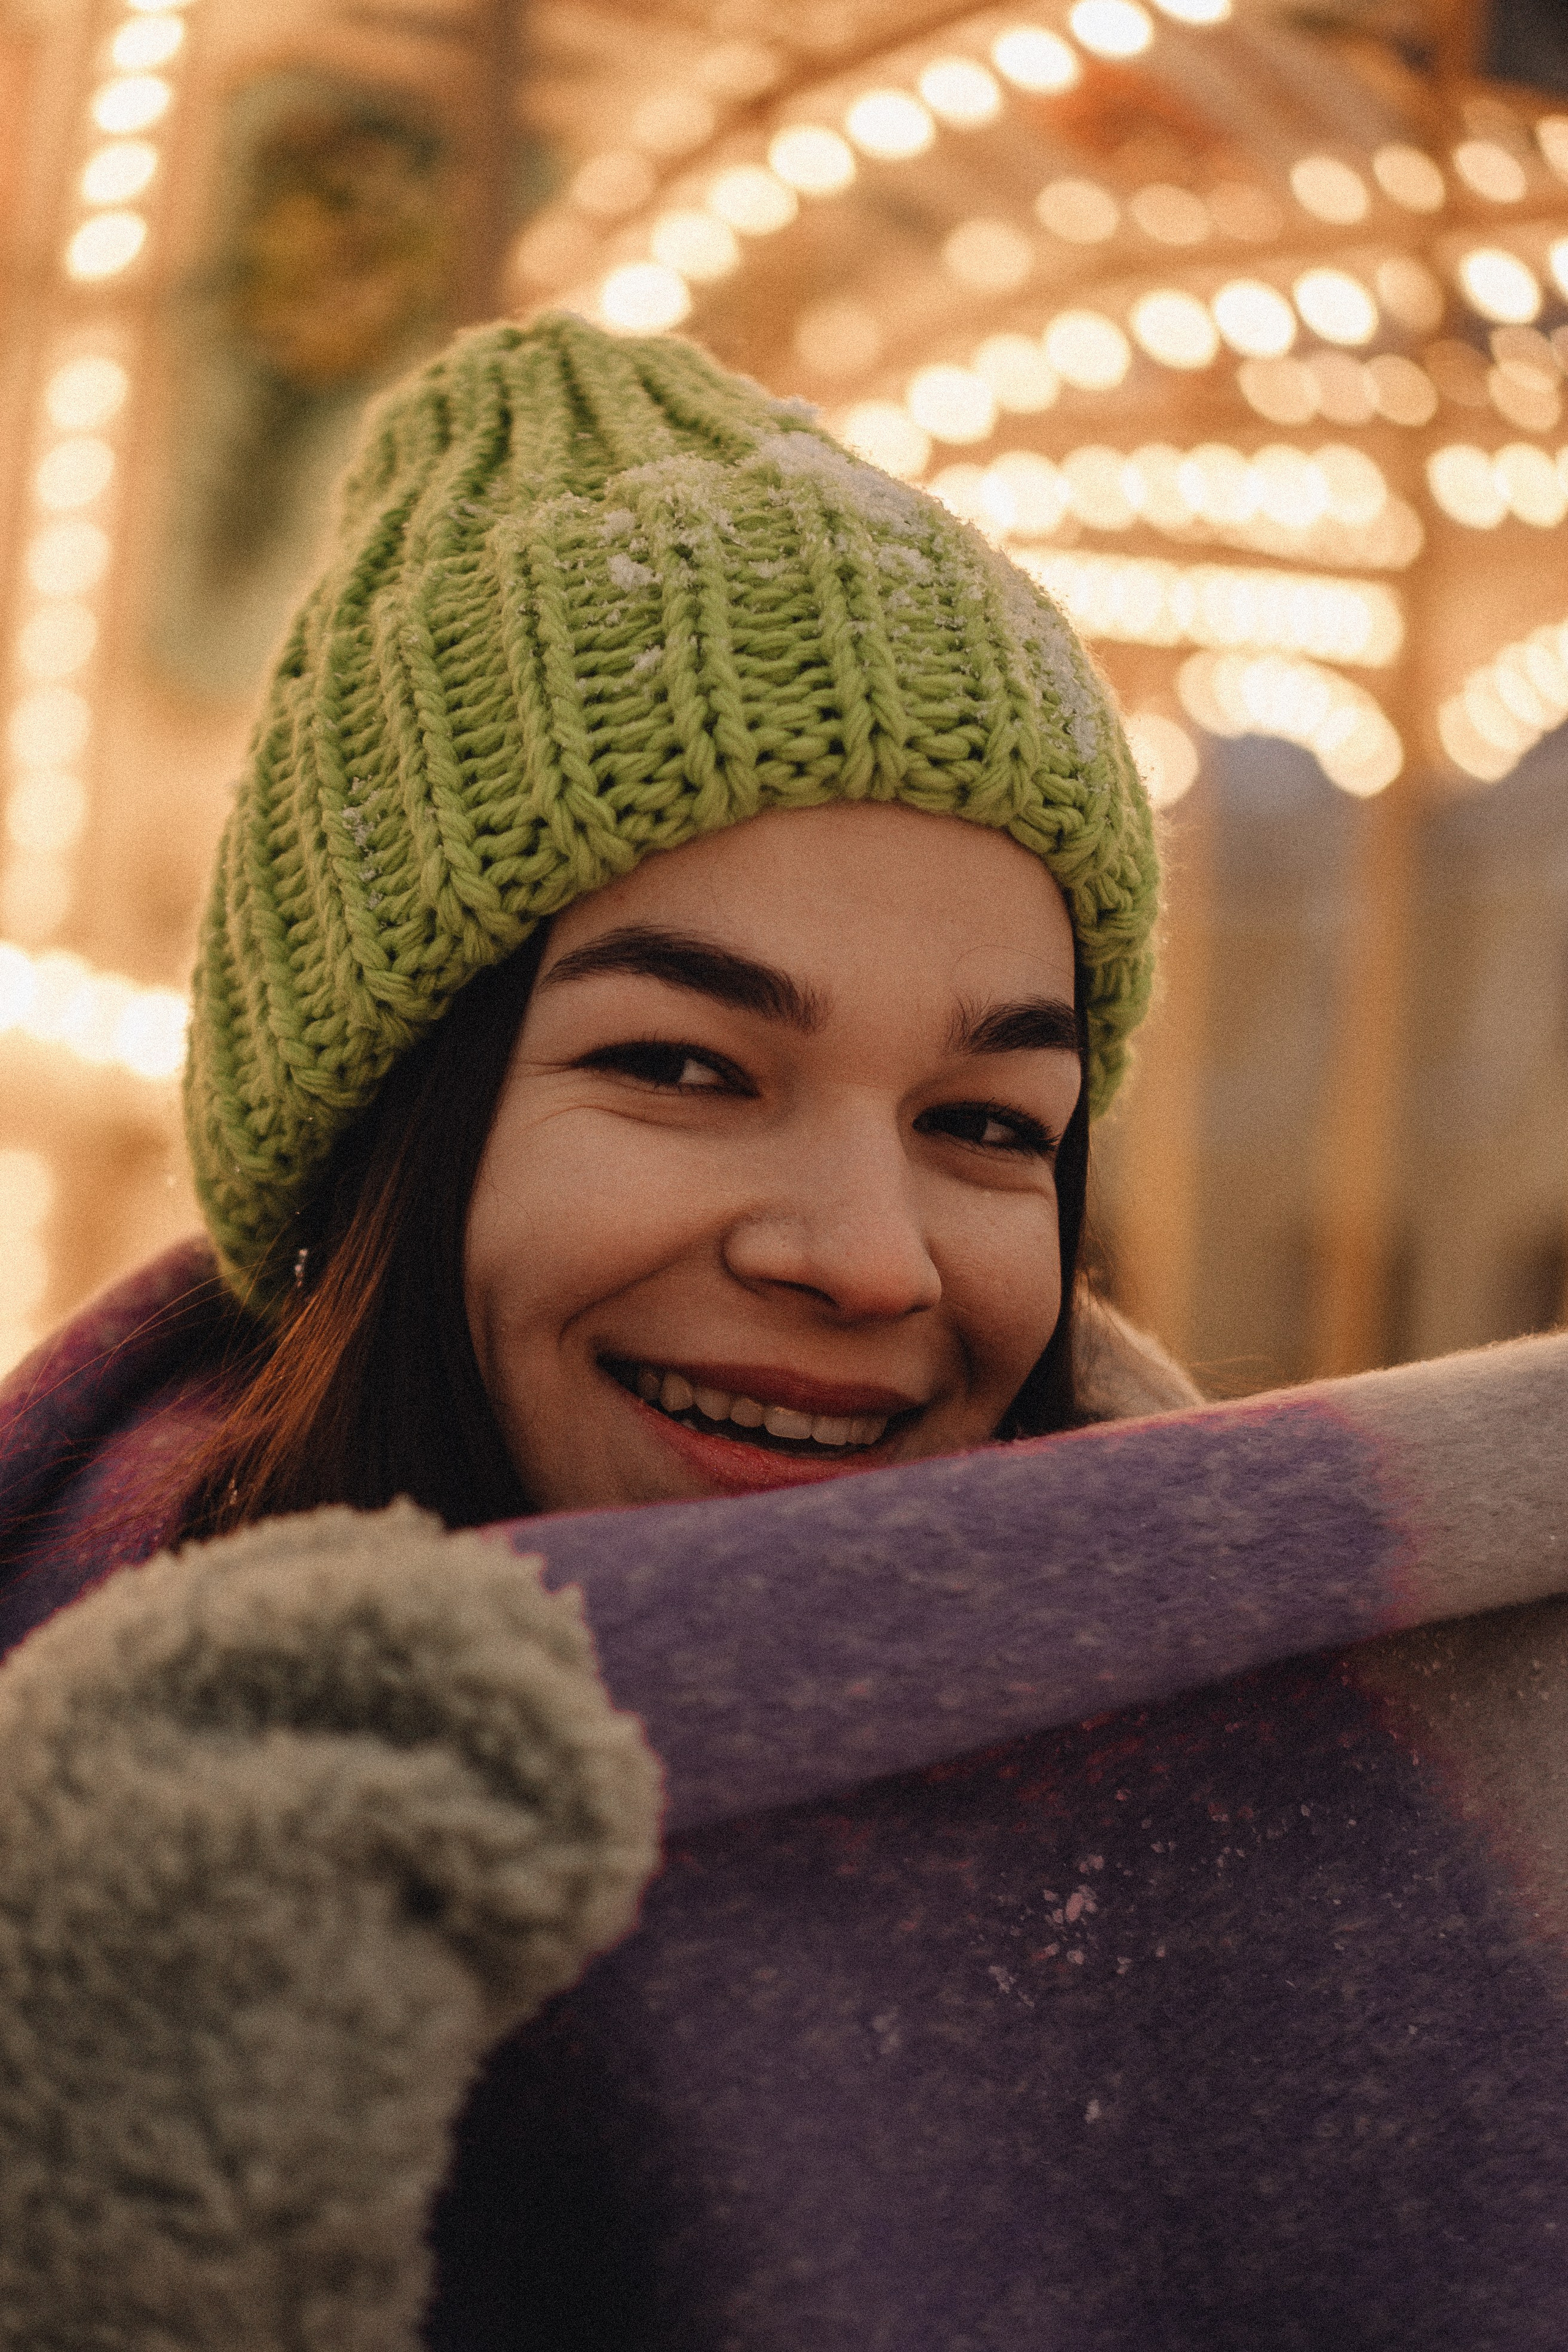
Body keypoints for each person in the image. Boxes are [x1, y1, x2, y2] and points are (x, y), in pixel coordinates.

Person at [1, 315, 1567, 2352]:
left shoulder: (1292, 1822)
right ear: (392, 1130)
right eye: (683, 1062)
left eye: (989, 1126)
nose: (873, 1260)